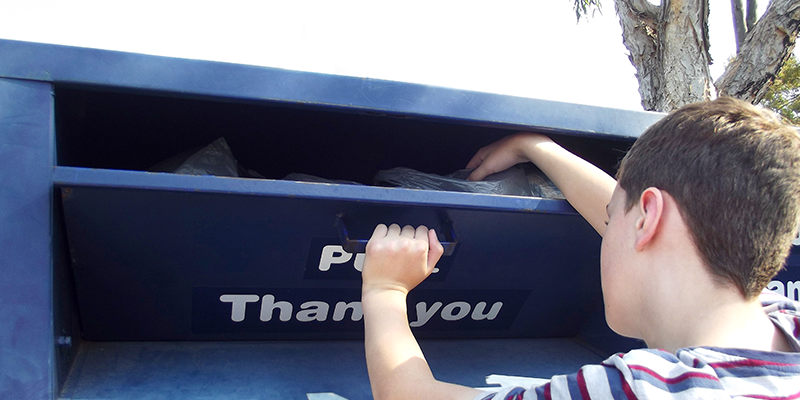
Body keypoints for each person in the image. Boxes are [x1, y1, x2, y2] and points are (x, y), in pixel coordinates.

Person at [360, 97, 800, 399]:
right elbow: (638, 216)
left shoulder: (643, 389)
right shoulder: (782, 321)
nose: (605, 225)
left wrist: (384, 290)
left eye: (611, 219)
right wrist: (534, 146)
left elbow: (411, 395)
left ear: (648, 219)